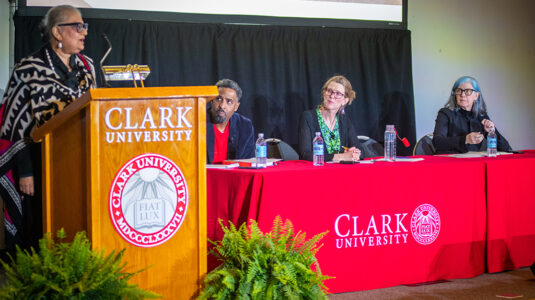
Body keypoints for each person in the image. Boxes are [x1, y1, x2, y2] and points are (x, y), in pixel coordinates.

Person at [0, 5, 96, 251]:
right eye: (77, 26)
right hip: (40, 163)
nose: (83, 32)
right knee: (39, 226)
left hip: (83, 161)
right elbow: (13, 126)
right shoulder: (28, 69)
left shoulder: (89, 68)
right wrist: (25, 172)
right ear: (57, 31)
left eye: (84, 26)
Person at [433, 76, 511, 154]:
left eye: (468, 91)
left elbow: (506, 148)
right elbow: (437, 142)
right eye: (459, 90)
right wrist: (465, 139)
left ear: (476, 96)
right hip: (449, 162)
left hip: (473, 162)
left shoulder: (481, 116)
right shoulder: (445, 113)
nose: (462, 94)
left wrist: (491, 131)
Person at [298, 75, 363, 162]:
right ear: (324, 93)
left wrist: (355, 153)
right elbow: (305, 154)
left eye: (338, 94)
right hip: (317, 172)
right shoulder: (308, 117)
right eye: (329, 91)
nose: (332, 96)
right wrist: (341, 157)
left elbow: (360, 149)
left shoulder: (344, 120)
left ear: (345, 100)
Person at [206, 79, 255, 163]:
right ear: (211, 100)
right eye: (218, 99)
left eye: (229, 101)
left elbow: (248, 162)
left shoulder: (244, 126)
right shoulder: (197, 122)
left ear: (236, 106)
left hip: (232, 175)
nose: (222, 106)